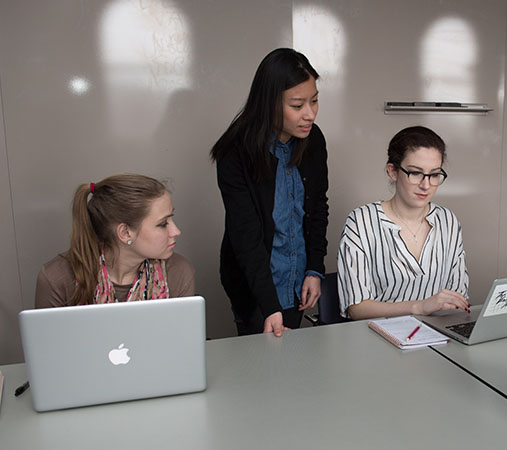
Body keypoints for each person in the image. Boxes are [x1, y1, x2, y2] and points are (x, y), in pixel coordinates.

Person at [210, 48, 328, 337]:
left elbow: (317, 209)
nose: (309, 114)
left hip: (297, 278)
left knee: (291, 367)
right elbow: (244, 234)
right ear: (269, 103)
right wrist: (268, 305)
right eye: (298, 105)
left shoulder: (313, 141)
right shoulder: (236, 152)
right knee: (261, 370)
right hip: (254, 285)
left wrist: (314, 268)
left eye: (314, 101)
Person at [337, 126, 470, 320]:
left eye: (434, 175)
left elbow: (458, 297)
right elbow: (357, 309)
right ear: (392, 171)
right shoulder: (361, 222)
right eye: (416, 173)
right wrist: (419, 307)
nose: (426, 185)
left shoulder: (447, 220)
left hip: (437, 336)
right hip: (377, 337)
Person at [35, 174, 194, 308]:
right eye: (163, 224)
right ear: (125, 233)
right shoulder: (57, 278)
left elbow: (182, 341)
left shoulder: (178, 272)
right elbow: (46, 344)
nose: (176, 231)